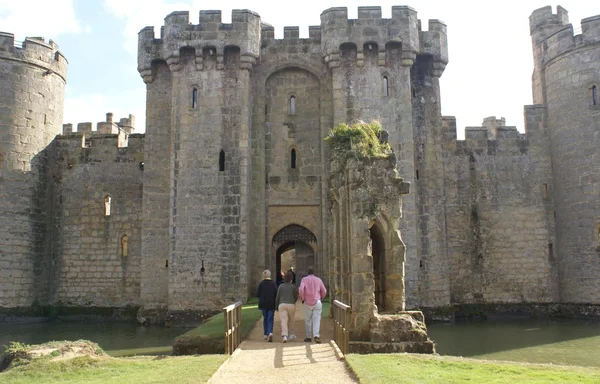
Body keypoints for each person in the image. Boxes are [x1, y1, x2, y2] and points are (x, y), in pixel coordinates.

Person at [298, 266, 327, 343]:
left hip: (307, 302)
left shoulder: (304, 279)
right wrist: (321, 297)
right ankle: (316, 335)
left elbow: (301, 289)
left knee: (307, 320)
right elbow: (324, 290)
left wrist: (302, 297)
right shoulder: (318, 280)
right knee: (317, 319)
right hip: (317, 301)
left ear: (307, 272)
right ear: (314, 272)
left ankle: (308, 337)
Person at [276, 270, 299, 343]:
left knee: (283, 320)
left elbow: (278, 297)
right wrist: (293, 301)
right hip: (291, 304)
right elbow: (296, 296)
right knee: (291, 319)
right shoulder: (293, 286)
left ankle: (284, 336)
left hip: (282, 305)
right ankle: (292, 334)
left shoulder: (280, 286)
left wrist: (276, 306)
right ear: (291, 279)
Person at [256, 269, 277, 342]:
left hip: (263, 303)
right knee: (270, 318)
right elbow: (276, 294)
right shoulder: (273, 283)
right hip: (271, 303)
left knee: (265, 318)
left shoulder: (261, 284)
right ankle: (270, 332)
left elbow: (257, 294)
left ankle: (265, 334)